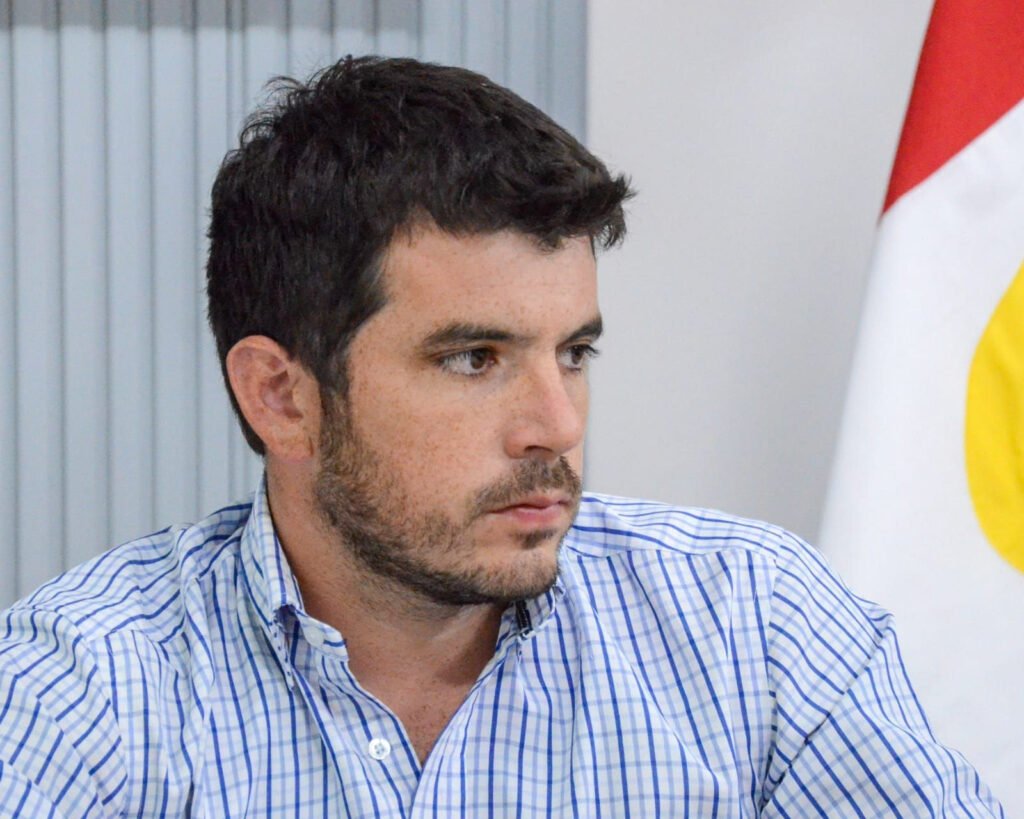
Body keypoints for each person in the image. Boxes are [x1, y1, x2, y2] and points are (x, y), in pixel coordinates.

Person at [0, 56, 1003, 818]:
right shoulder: (85, 691)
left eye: (574, 352)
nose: (557, 426)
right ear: (282, 396)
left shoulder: (754, 626)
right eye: (473, 358)